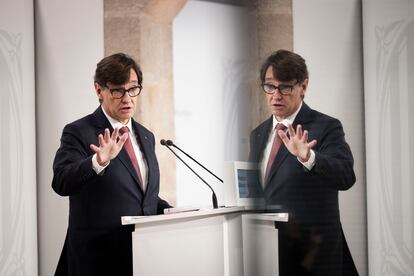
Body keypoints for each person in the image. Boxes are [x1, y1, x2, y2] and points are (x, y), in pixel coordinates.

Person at [52, 53, 171, 276]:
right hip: (97, 260)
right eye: (118, 90)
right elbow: (61, 182)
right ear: (99, 91)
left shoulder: (146, 136)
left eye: (133, 88)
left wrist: (176, 212)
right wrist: (98, 161)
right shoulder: (79, 131)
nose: (127, 98)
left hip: (141, 257)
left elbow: (143, 198)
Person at [249, 50, 358, 275]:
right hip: (270, 253)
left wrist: (309, 157)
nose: (276, 95)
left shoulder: (326, 126)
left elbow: (346, 176)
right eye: (270, 86)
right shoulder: (258, 134)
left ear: (303, 86)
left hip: (313, 255)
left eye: (285, 87)